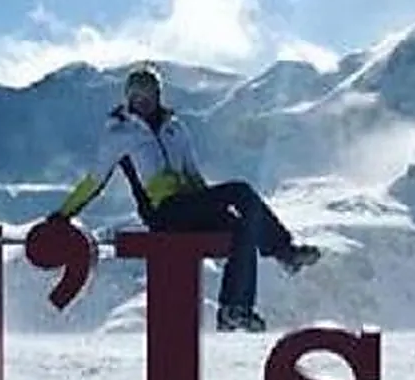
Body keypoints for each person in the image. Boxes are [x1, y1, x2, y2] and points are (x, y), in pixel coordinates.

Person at [47, 63, 320, 332]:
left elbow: (192, 175)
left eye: (148, 94)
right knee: (240, 191)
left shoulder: (174, 129)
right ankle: (284, 251)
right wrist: (62, 215)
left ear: (157, 96)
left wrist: (214, 209)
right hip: (163, 212)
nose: (142, 101)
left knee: (241, 227)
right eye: (136, 96)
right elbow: (95, 180)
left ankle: (235, 309)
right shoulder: (119, 134)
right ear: (128, 98)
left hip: (189, 206)